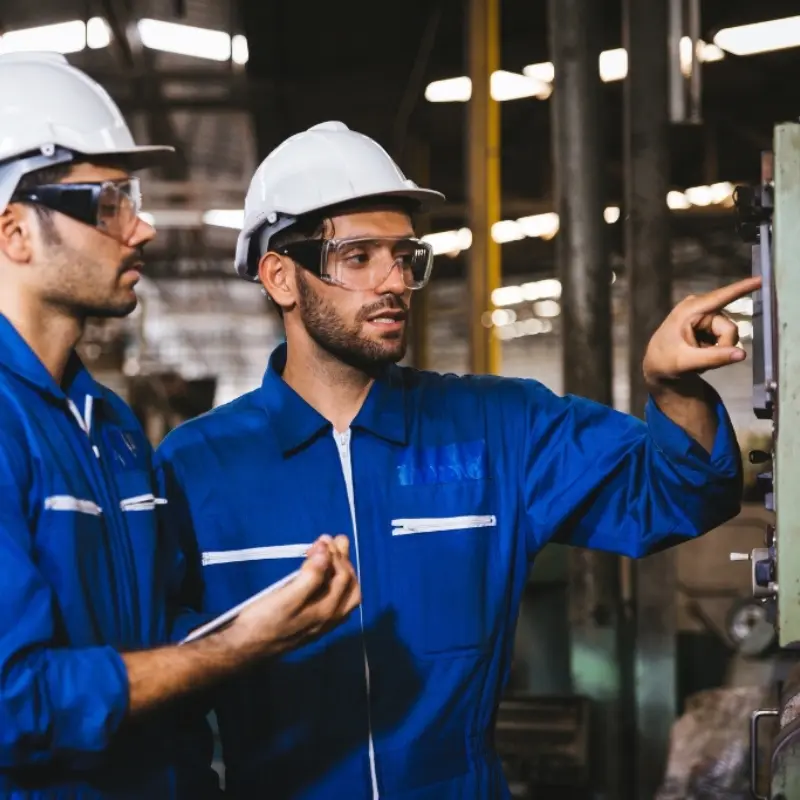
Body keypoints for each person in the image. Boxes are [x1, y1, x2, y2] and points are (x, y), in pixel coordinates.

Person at [155, 120, 757, 799]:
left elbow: (680, 494)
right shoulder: (197, 467)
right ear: (281, 278)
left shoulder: (499, 427)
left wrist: (673, 391)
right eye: (358, 257)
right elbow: (165, 698)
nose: (394, 282)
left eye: (404, 255)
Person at [0, 58, 359, 799]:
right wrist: (236, 646)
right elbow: (14, 705)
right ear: (14, 231)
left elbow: (158, 637)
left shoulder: (114, 429)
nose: (143, 227)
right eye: (107, 203)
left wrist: (273, 606)